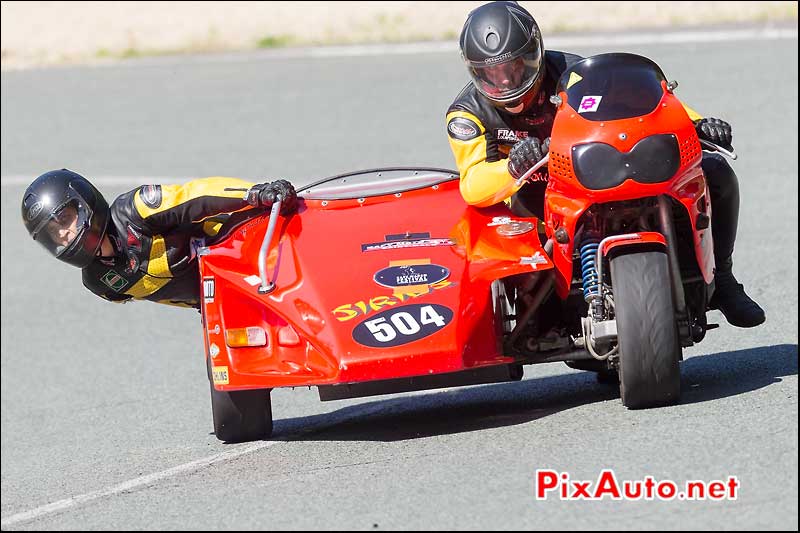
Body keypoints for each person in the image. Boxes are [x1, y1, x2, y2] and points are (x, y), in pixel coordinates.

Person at [445, 0, 764, 328]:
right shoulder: (467, 114)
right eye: (490, 75)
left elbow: (651, 103)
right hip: (538, 206)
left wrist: (697, 124)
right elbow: (473, 184)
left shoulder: (576, 75)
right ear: (473, 70)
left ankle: (722, 278)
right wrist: (512, 167)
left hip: (600, 180)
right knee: (536, 314)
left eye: (515, 68)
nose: (506, 83)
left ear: (535, 54)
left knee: (715, 171)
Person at [21, 169, 298, 308]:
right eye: (54, 233)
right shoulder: (99, 284)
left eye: (65, 220)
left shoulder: (135, 209)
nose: (65, 233)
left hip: (249, 246)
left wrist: (253, 193)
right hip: (224, 302)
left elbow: (197, 195)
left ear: (86, 204)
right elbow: (164, 296)